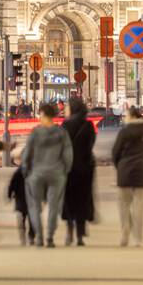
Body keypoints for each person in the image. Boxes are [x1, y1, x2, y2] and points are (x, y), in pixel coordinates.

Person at [22, 102, 73, 247]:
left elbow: (27, 154)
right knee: (53, 206)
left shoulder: (35, 133)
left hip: (36, 173)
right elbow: (68, 154)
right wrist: (65, 169)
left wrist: (25, 170)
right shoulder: (61, 133)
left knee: (34, 206)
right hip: (57, 173)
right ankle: (50, 237)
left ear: (43, 115)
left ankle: (39, 236)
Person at [111, 104, 143, 246]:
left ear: (131, 117)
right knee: (140, 206)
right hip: (141, 170)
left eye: (126, 116)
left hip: (125, 170)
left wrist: (119, 165)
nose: (124, 118)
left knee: (123, 204)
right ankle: (138, 239)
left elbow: (115, 151)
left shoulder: (125, 131)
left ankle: (125, 232)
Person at [61, 99, 95, 246]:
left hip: (67, 168)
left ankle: (69, 231)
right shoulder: (88, 125)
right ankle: (80, 235)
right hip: (84, 169)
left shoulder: (65, 125)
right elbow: (90, 145)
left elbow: (61, 146)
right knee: (82, 200)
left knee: (69, 200)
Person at [8, 146, 34, 244]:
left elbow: (12, 184)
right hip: (31, 200)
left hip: (20, 200)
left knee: (22, 219)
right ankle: (31, 236)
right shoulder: (34, 171)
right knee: (32, 219)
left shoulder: (18, 171)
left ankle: (23, 235)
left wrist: (9, 195)